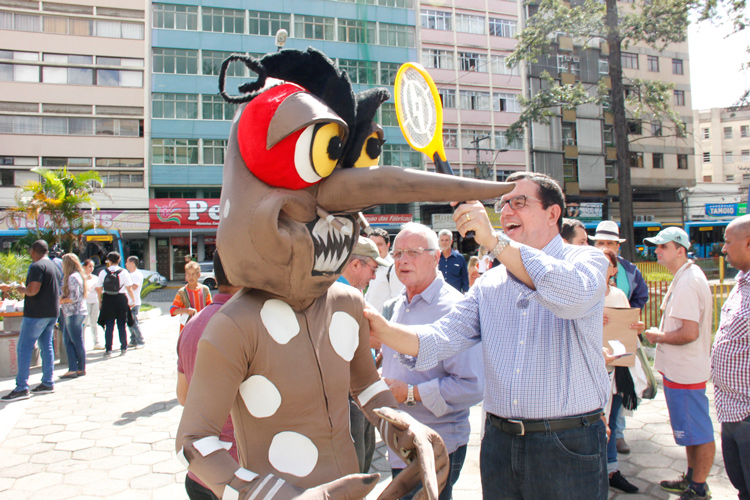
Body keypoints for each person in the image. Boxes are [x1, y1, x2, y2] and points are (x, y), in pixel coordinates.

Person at [366, 172, 611, 499]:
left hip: (567, 442)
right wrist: (379, 328)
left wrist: (495, 239)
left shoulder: (587, 260)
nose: (507, 211)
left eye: (519, 202)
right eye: (503, 203)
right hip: (499, 442)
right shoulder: (489, 284)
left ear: (553, 214)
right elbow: (439, 339)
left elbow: (570, 296)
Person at [381, 223, 484, 500]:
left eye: (413, 252)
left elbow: (472, 387)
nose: (403, 260)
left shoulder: (454, 309)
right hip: (400, 443)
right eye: (398, 253)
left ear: (436, 257)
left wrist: (411, 393)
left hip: (435, 444)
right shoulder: (398, 304)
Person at [643, 227, 715, 500]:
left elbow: (688, 333)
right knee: (690, 431)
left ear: (680, 251)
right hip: (681, 371)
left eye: (663, 246)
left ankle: (698, 487)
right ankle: (692, 477)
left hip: (685, 372)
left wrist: (656, 336)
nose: (657, 251)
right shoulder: (686, 276)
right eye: (657, 246)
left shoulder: (687, 281)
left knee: (699, 431)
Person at [176, 252, 242, 500]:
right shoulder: (255, 324)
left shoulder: (193, 324)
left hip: (200, 471)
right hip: (240, 472)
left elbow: (183, 397)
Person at [589, 220, 649, 456]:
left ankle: (617, 440)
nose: (606, 247)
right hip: (594, 352)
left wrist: (625, 320)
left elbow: (639, 297)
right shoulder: (583, 273)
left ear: (618, 245)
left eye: (610, 243)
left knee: (616, 399)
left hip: (618, 345)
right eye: (601, 242)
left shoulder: (631, 270)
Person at [337, 236, 388, 474]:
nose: (375, 277)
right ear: (355, 264)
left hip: (358, 390)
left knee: (364, 459)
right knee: (356, 467)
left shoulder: (349, 292)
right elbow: (377, 337)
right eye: (373, 269)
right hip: (349, 393)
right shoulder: (341, 295)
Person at [712, 215, 750, 500]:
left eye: (728, 241)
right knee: (742, 486)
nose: (723, 248)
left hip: (747, 412)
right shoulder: (741, 282)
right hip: (732, 410)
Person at [598, 248, 640, 494]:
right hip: (590, 373)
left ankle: (612, 470)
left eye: (606, 264)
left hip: (615, 372)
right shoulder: (582, 297)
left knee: (611, 421)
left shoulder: (618, 295)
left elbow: (626, 330)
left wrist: (635, 327)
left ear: (614, 269)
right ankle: (594, 472)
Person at [2, 240, 62, 401]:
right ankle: (48, 382)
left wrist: (22, 289)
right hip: (51, 313)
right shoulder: (53, 266)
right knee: (46, 347)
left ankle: (21, 387)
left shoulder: (36, 266)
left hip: (36, 314)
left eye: (30, 251)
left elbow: (32, 290)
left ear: (34, 251)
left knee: (24, 348)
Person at [96, 251, 134, 358]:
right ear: (119, 260)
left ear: (108, 260)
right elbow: (129, 288)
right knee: (122, 325)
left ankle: (108, 349)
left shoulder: (103, 272)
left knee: (109, 326)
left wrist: (100, 302)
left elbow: (99, 289)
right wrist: (133, 299)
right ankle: (123, 347)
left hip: (108, 299)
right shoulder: (124, 272)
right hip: (121, 299)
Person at [59, 254, 88, 379]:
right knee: (69, 340)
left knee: (75, 340)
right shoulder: (78, 276)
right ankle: (75, 368)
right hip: (74, 312)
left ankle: (77, 368)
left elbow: (74, 298)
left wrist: (61, 300)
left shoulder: (72, 277)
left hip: (73, 312)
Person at [364, 228, 404, 312]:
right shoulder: (372, 267)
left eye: (379, 244)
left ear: (388, 245)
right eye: (372, 244)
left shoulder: (393, 268)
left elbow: (397, 301)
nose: (375, 248)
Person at [171, 261, 212, 333]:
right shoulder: (182, 292)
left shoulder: (205, 290)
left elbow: (210, 308)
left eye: (193, 274)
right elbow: (172, 310)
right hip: (186, 329)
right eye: (188, 274)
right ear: (185, 276)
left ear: (199, 275)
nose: (191, 277)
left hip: (202, 328)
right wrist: (185, 311)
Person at [438, 229, 469, 293]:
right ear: (438, 242)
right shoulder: (435, 258)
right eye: (442, 240)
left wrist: (465, 293)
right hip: (438, 295)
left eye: (446, 240)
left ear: (451, 241)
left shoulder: (460, 258)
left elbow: (465, 278)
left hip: (455, 295)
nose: (444, 243)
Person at [82, 259, 104, 350]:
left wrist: (100, 302)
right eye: (89, 266)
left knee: (94, 323)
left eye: (93, 266)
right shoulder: (81, 278)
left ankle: (96, 342)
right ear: (84, 267)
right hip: (85, 302)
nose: (91, 268)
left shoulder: (95, 278)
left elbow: (99, 291)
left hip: (94, 301)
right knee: (83, 324)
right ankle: (82, 343)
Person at [125, 256, 145, 348]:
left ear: (132, 263)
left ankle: (140, 340)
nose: (126, 264)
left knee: (134, 322)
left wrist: (125, 285)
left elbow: (134, 286)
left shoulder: (136, 274)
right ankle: (133, 339)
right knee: (129, 322)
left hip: (134, 302)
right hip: (128, 302)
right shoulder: (130, 274)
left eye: (127, 262)